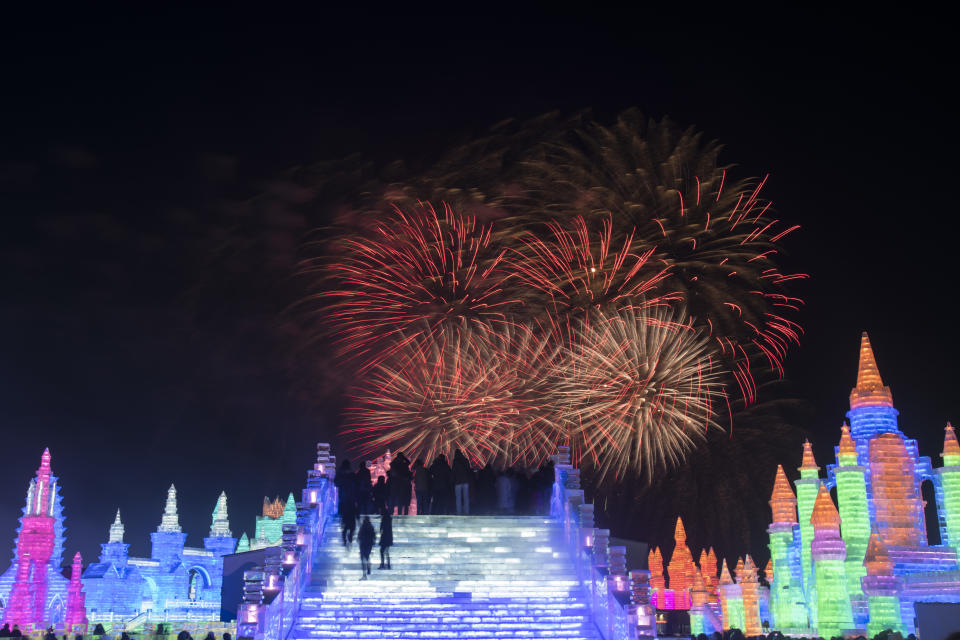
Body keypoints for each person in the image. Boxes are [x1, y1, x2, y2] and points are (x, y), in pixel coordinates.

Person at [335, 459, 357, 546]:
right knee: (350, 523)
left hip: (345, 498)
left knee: (345, 523)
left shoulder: (341, 474)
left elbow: (336, 483)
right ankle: (349, 536)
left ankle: (346, 537)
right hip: (349, 498)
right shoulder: (351, 474)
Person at [452, 450, 472, 514]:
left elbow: (453, 472)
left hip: (458, 482)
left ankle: (459, 511)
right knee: (466, 497)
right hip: (465, 481)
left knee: (458, 498)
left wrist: (452, 481)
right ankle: (467, 511)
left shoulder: (455, 461)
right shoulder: (466, 460)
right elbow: (469, 471)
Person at [357, 515, 376, 579]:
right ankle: (368, 566)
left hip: (363, 544)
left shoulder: (362, 527)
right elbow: (374, 536)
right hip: (369, 544)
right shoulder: (371, 527)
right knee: (367, 556)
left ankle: (364, 574)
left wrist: (359, 540)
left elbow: (359, 535)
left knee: (363, 558)